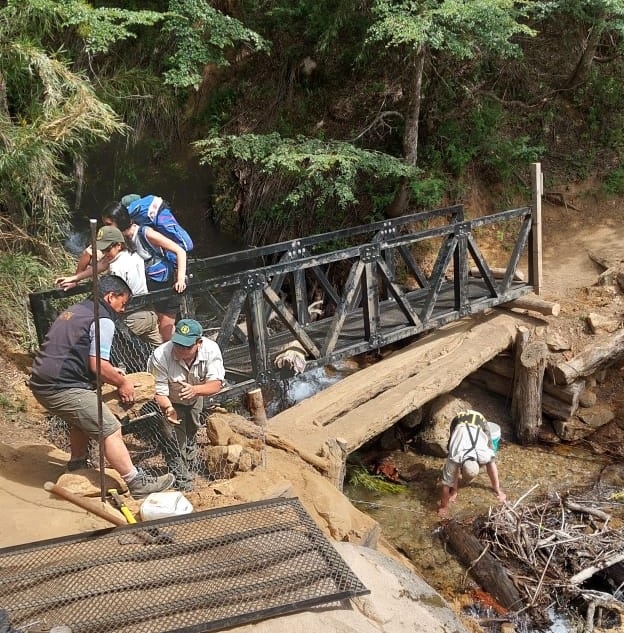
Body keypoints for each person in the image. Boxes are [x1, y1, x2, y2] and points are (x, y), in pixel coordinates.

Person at [28, 274, 175, 498]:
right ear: (110, 296)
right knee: (110, 429)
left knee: (84, 418)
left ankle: (77, 465)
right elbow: (97, 364)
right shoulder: (102, 319)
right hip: (61, 386)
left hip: (43, 381)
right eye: (123, 303)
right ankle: (136, 482)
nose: (123, 309)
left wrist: (109, 373)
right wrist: (122, 382)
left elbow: (81, 354)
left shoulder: (77, 310)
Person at [147, 318, 225, 491]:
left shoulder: (211, 350)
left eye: (187, 346)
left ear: (199, 342)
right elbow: (158, 390)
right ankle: (183, 480)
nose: (181, 349)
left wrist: (196, 390)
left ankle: (189, 462)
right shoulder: (160, 355)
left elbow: (216, 384)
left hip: (196, 395)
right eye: (178, 344)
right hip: (170, 400)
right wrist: (168, 408)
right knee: (173, 439)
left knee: (192, 429)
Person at [55, 226, 162, 347]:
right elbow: (100, 266)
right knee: (158, 349)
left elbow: (115, 297)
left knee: (109, 344)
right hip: (149, 312)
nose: (104, 253)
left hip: (132, 316)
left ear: (118, 245)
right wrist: (74, 278)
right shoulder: (132, 254)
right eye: (102, 250)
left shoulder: (117, 266)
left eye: (107, 249)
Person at [101, 201, 188, 342]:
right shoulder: (121, 240)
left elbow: (180, 251)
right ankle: (170, 359)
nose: (106, 228)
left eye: (108, 224)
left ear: (119, 221)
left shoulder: (145, 233)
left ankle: (181, 356)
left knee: (166, 334)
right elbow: (104, 262)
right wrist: (76, 278)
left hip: (168, 284)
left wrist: (180, 279)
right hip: (151, 288)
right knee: (159, 333)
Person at [437, 410, 506, 518]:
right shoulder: (455, 455)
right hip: (459, 420)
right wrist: (443, 506)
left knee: (491, 457)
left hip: (480, 420)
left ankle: (495, 488)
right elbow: (445, 486)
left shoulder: (484, 453)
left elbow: (491, 467)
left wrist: (498, 490)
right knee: (452, 460)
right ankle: (455, 490)